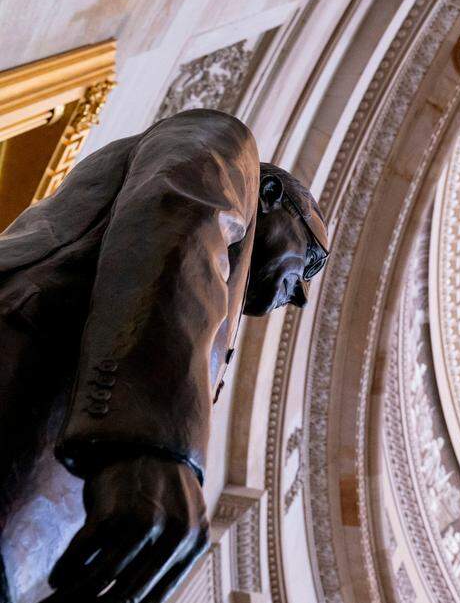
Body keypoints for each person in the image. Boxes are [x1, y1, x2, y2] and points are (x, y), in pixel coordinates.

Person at [0, 109, 329, 603]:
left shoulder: (220, 313)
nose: (300, 294)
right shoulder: (228, 148)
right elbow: (177, 216)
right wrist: (156, 442)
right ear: (270, 197)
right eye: (309, 260)